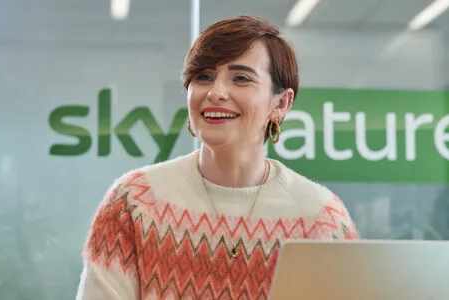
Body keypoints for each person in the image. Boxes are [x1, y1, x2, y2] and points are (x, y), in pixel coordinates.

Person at [75, 15, 359, 300]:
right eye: (203, 77)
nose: (216, 92)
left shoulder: (322, 218)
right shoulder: (134, 202)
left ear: (281, 103)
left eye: (241, 78)